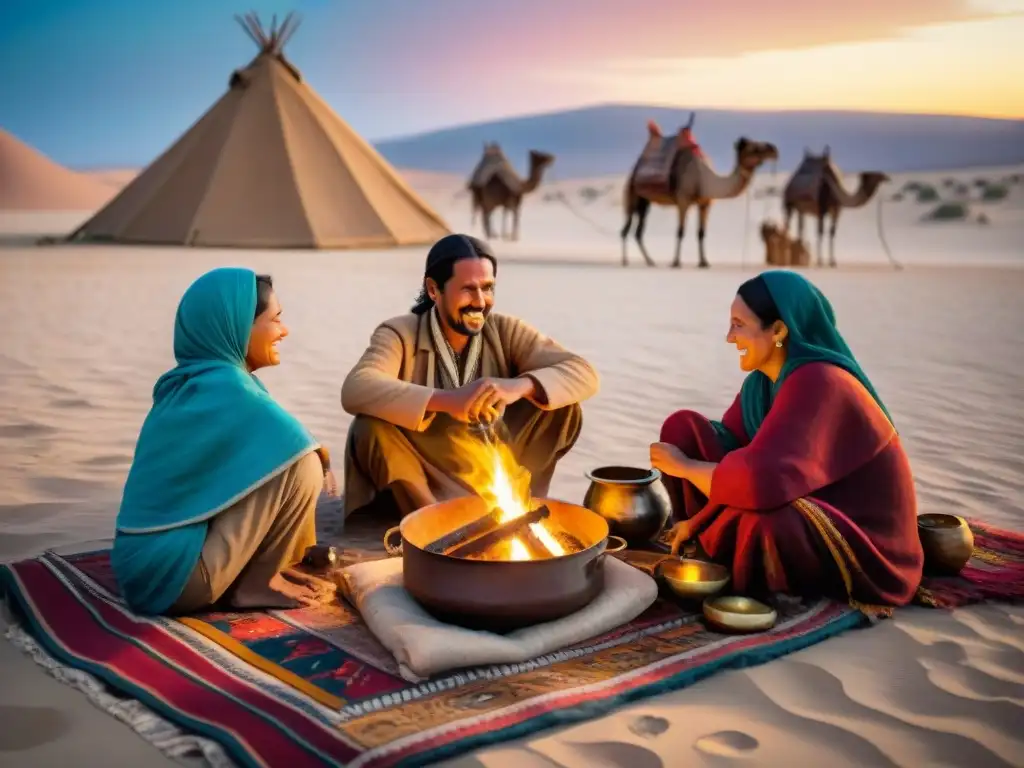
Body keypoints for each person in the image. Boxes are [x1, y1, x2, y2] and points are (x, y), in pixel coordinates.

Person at [650, 270, 923, 614]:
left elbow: (758, 482)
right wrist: (697, 514)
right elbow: (742, 461)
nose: (729, 337)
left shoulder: (820, 381)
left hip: (858, 534)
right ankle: (702, 546)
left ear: (778, 330)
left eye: (739, 325)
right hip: (787, 495)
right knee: (684, 430)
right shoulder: (761, 385)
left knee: (764, 521)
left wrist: (685, 468)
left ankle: (755, 578)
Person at [112, 268, 338, 616]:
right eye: (275, 319)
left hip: (142, 573)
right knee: (301, 464)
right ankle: (255, 585)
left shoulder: (186, 385)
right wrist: (320, 455)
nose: (284, 330)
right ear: (236, 327)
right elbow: (294, 442)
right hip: (177, 582)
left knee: (276, 459)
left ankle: (255, 574)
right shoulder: (230, 389)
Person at [341, 233, 600, 518]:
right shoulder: (400, 333)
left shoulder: (505, 330)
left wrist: (519, 386)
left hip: (495, 458)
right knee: (369, 428)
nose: (480, 302)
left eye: (487, 288)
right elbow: (357, 387)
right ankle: (432, 522)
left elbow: (583, 372)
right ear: (433, 289)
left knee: (563, 407)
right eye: (468, 289)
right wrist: (450, 401)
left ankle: (520, 505)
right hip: (425, 470)